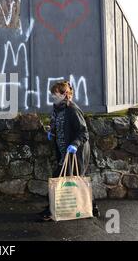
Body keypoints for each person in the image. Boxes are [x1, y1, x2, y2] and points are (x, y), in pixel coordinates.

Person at [37, 80, 99, 221]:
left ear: (65, 94)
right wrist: (51, 131)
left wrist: (75, 145)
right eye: (52, 94)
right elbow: (56, 123)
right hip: (63, 151)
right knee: (77, 180)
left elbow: (84, 133)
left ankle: (51, 210)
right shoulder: (57, 108)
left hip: (75, 153)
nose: (53, 96)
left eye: (55, 94)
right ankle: (91, 207)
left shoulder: (72, 110)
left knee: (60, 178)